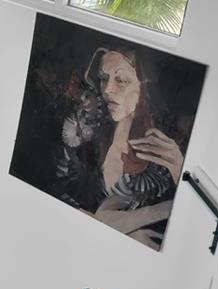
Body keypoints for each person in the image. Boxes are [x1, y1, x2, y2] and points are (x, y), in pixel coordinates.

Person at [55, 45, 186, 248]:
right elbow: (63, 189)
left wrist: (180, 171)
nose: (107, 89)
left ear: (144, 84)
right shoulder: (92, 132)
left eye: (121, 80)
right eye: (103, 78)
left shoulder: (169, 144)